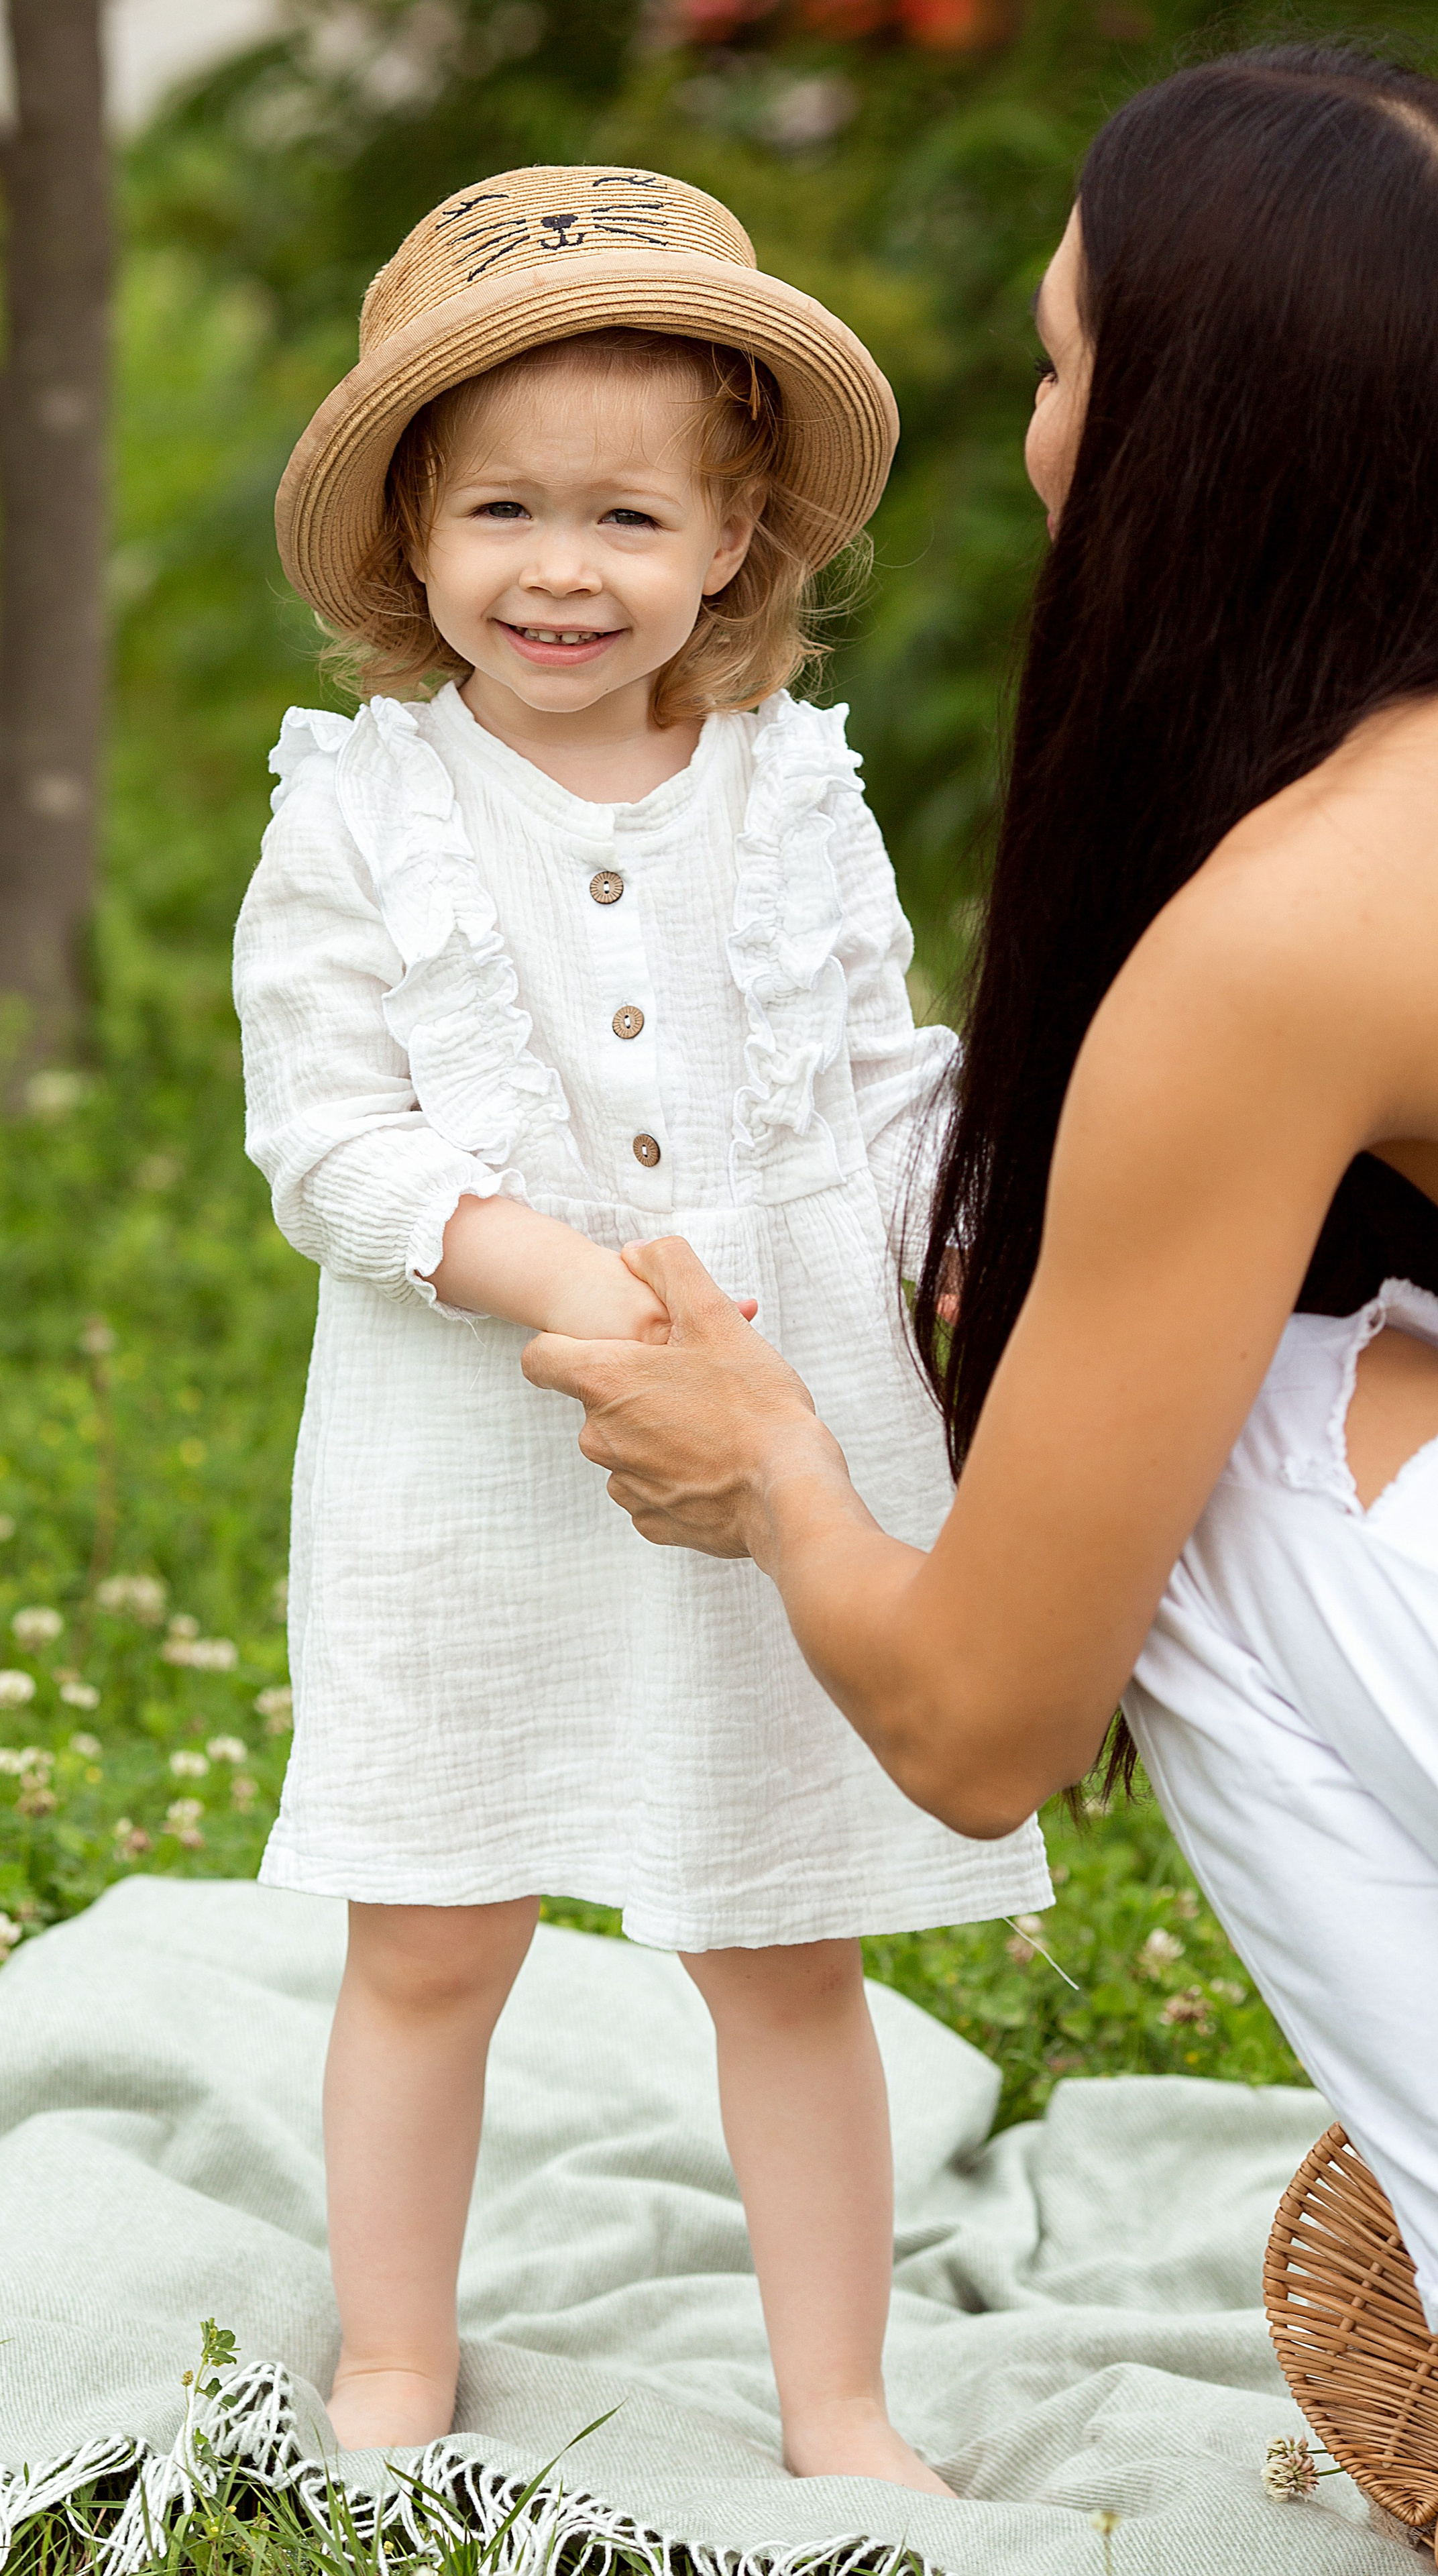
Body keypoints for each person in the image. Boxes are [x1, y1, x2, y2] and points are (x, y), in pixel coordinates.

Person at [524, 46, 1438, 2333]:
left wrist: (774, 1474)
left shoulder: (1289, 933)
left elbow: (980, 1723)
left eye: (1060, 367)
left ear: (1189, 452)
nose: (1041, 437)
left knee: (1229, 1443)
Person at [234, 164, 1050, 2480]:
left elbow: (877, 1077)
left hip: (771, 1437)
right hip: (463, 1452)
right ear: (410, 539)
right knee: (430, 1937)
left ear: (734, 543)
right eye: (499, 510)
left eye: (623, 515)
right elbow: (335, 1142)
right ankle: (395, 2351)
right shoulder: (368, 810)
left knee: (781, 1944)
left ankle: (840, 2398)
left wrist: (963, 1234)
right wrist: (572, 1281)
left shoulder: (797, 794)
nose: (560, 569)